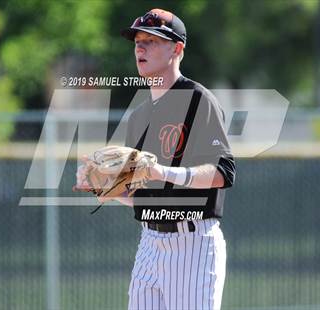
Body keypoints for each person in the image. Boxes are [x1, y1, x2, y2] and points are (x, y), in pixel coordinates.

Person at [76, 8, 235, 310]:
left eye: (152, 40)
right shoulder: (139, 115)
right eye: (138, 40)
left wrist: (162, 171)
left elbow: (222, 173)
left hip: (193, 244)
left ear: (177, 49)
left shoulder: (199, 101)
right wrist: (103, 186)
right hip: (149, 243)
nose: (140, 47)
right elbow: (143, 196)